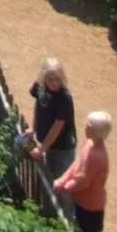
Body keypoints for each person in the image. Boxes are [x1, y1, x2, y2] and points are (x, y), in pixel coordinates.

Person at [56, 110, 112, 232]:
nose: (85, 126)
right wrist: (62, 180)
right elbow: (77, 164)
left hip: (90, 205)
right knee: (81, 231)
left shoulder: (96, 156)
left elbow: (83, 180)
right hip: (82, 200)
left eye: (90, 125)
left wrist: (64, 187)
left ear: (98, 132)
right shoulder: (89, 144)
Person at [25, 58, 77, 189]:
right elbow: (38, 104)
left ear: (62, 78)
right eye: (50, 79)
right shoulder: (40, 87)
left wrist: (42, 148)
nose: (53, 83)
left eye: (57, 79)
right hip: (49, 144)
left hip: (62, 147)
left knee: (63, 184)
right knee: (50, 177)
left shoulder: (64, 98)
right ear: (43, 77)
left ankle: (66, 209)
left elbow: (57, 127)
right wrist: (34, 127)